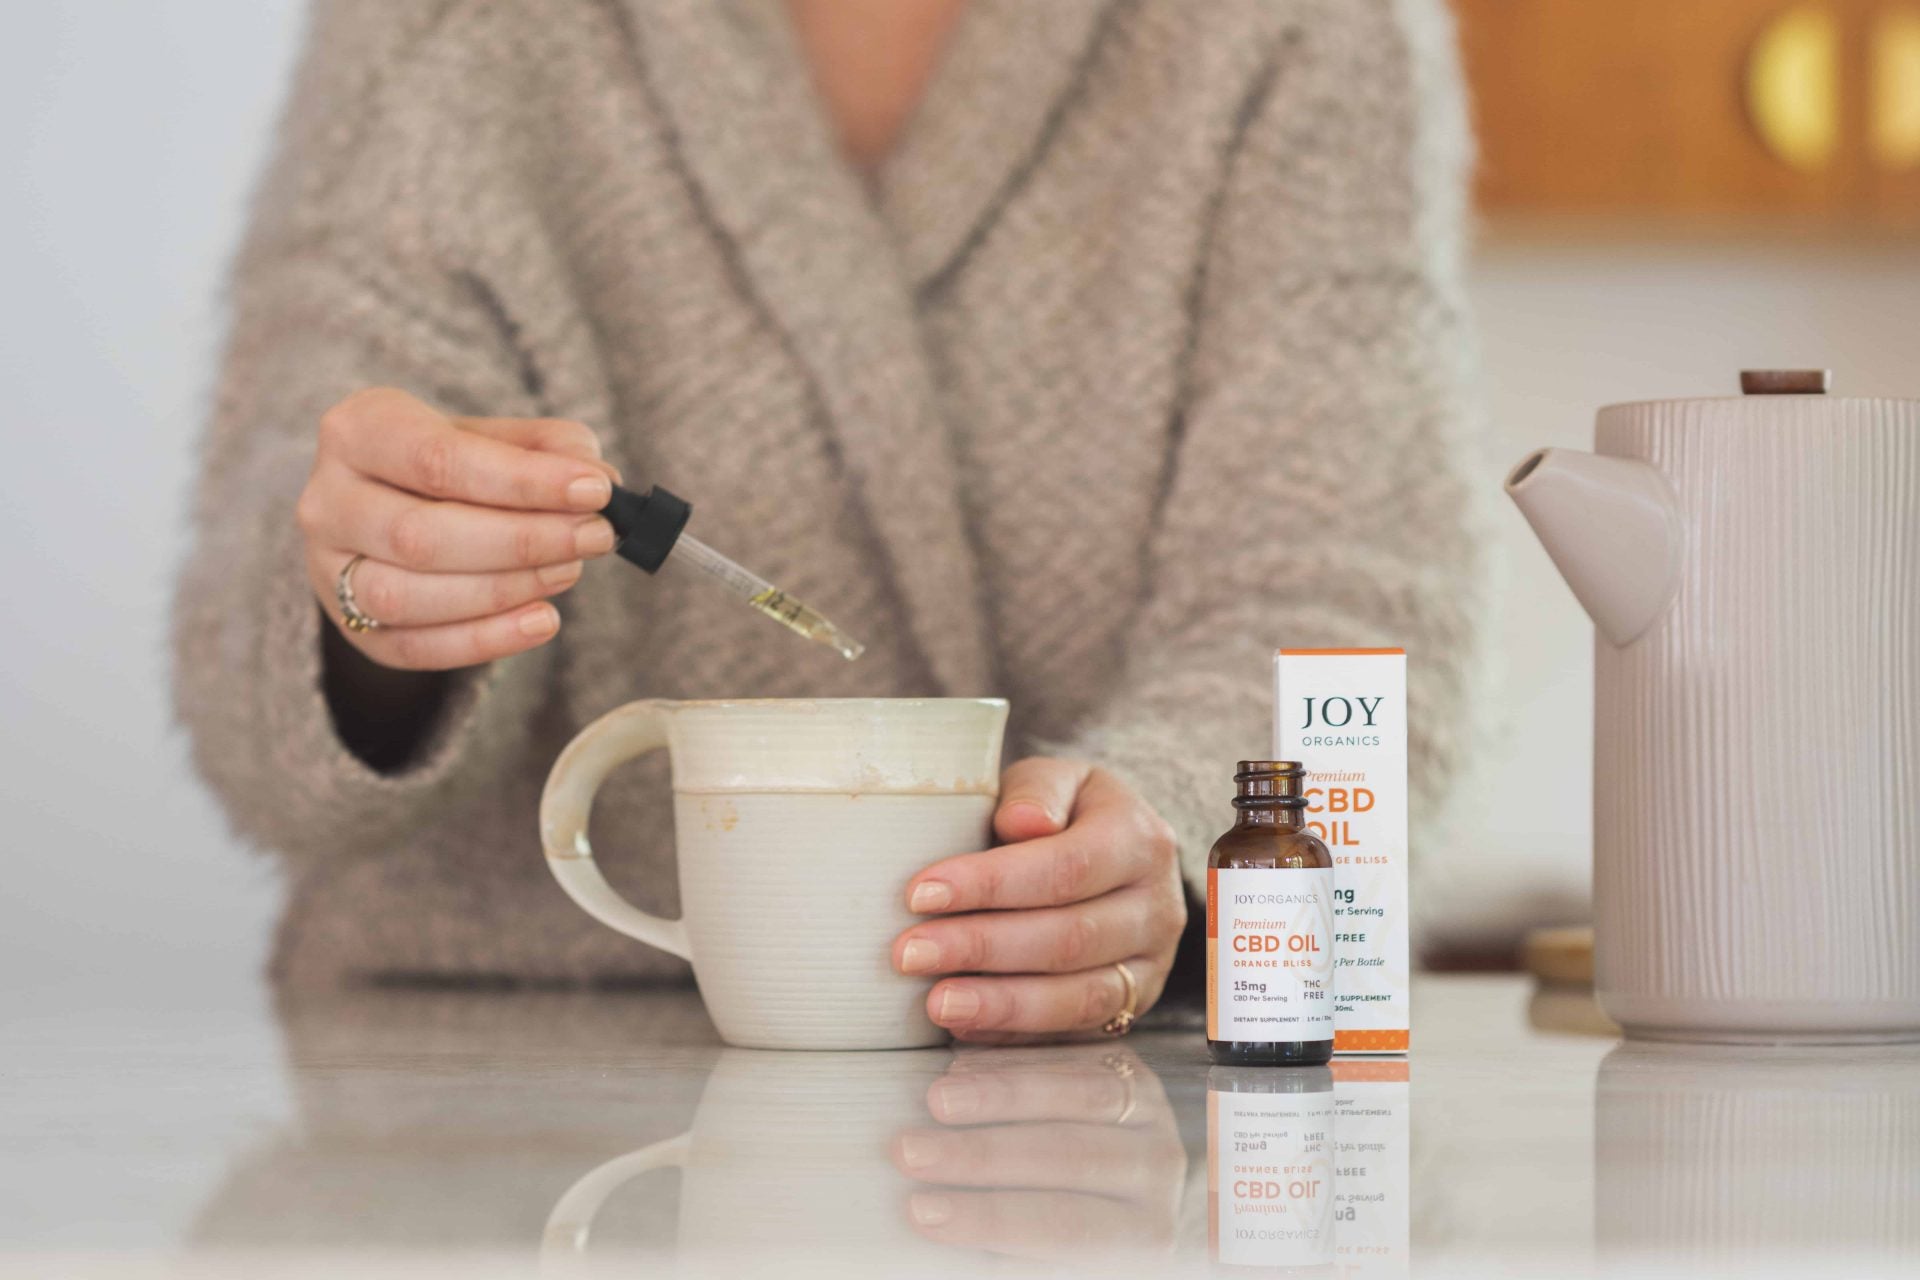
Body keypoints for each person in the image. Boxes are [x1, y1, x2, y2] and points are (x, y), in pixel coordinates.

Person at [174, 0, 1483, 1041]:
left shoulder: (1312, 25)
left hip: (1108, 1106)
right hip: (471, 1098)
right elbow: (265, 679)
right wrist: (386, 600)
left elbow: (1343, 604)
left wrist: (1170, 833)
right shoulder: (441, 27)